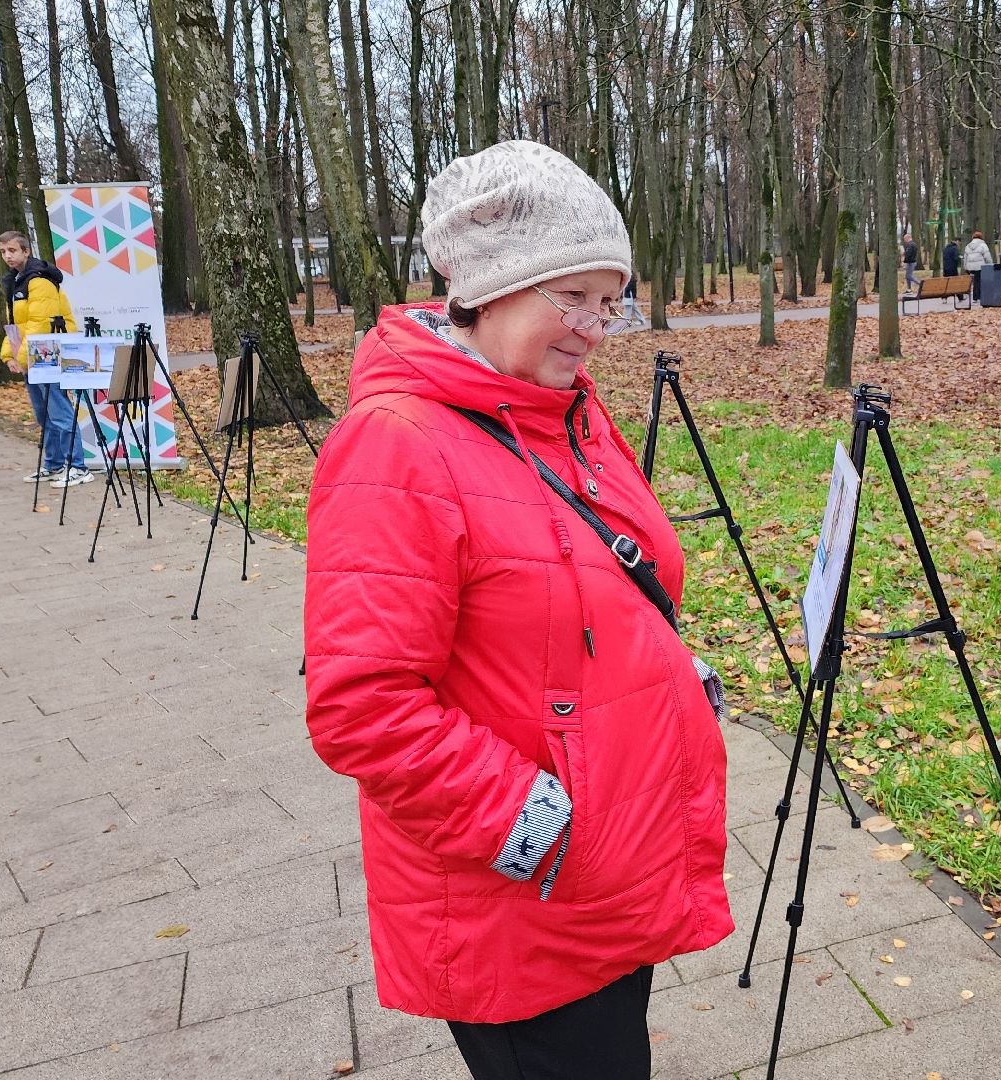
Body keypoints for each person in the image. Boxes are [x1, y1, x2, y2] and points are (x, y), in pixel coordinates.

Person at [302, 140, 731, 1080]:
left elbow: (591, 588)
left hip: (603, 881)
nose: (594, 328)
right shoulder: (397, 446)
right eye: (570, 297)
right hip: (520, 905)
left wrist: (664, 674)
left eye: (608, 300)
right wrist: (535, 827)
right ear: (492, 285)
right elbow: (362, 706)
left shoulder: (562, 408)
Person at [0, 230, 90, 486]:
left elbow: (40, 325)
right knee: (43, 415)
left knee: (59, 411)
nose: (8, 256)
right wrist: (10, 355)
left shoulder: (39, 282)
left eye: (13, 250)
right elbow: (16, 325)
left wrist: (22, 357)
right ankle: (53, 464)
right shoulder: (15, 282)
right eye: (4, 251)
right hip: (31, 356)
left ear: (26, 251)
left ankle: (78, 466)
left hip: (48, 353)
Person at [963, 230, 991, 299]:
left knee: (975, 281)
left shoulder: (968, 246)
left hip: (970, 267)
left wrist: (965, 267)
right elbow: (987, 256)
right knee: (979, 281)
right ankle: (979, 296)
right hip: (980, 267)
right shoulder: (983, 245)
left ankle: (975, 297)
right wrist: (990, 264)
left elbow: (965, 258)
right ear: (981, 237)